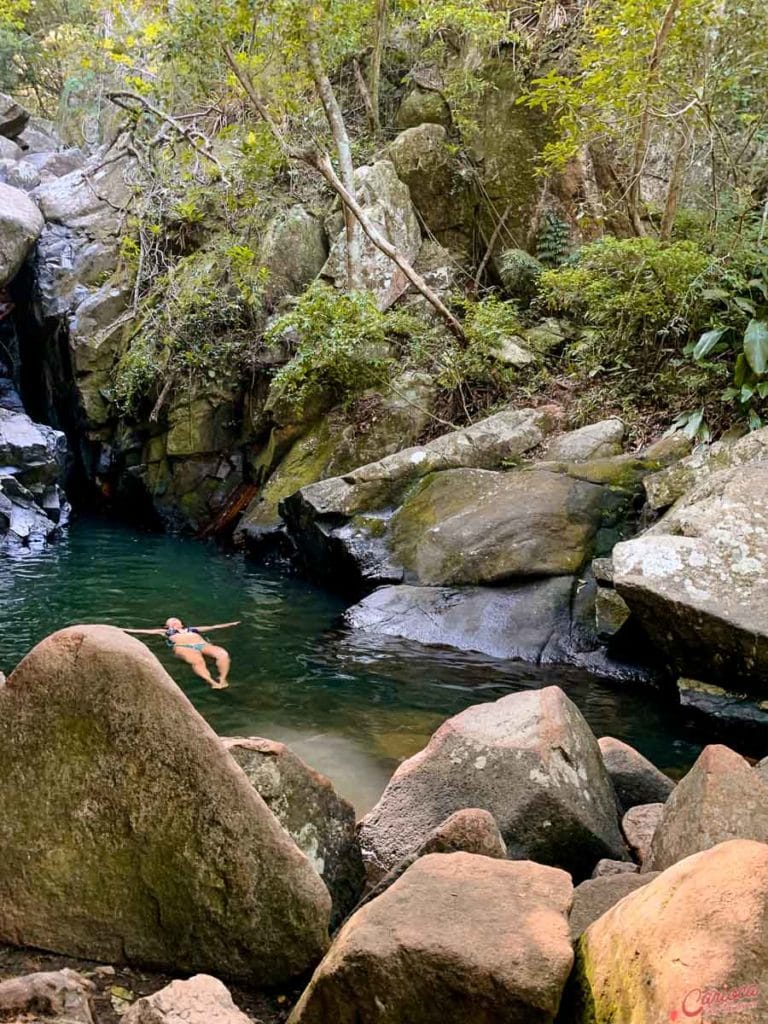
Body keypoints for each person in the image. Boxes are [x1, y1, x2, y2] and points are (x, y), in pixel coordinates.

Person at [121, 617, 240, 689]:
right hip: (184, 647)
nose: (174, 622)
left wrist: (231, 624)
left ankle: (222, 679)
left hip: (203, 645)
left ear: (182, 624)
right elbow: (144, 632)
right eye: (171, 622)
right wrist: (123, 630)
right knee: (198, 661)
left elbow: (213, 627)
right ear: (167, 625)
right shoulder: (165, 632)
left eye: (176, 620)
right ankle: (212, 682)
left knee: (222, 654)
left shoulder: (192, 629)